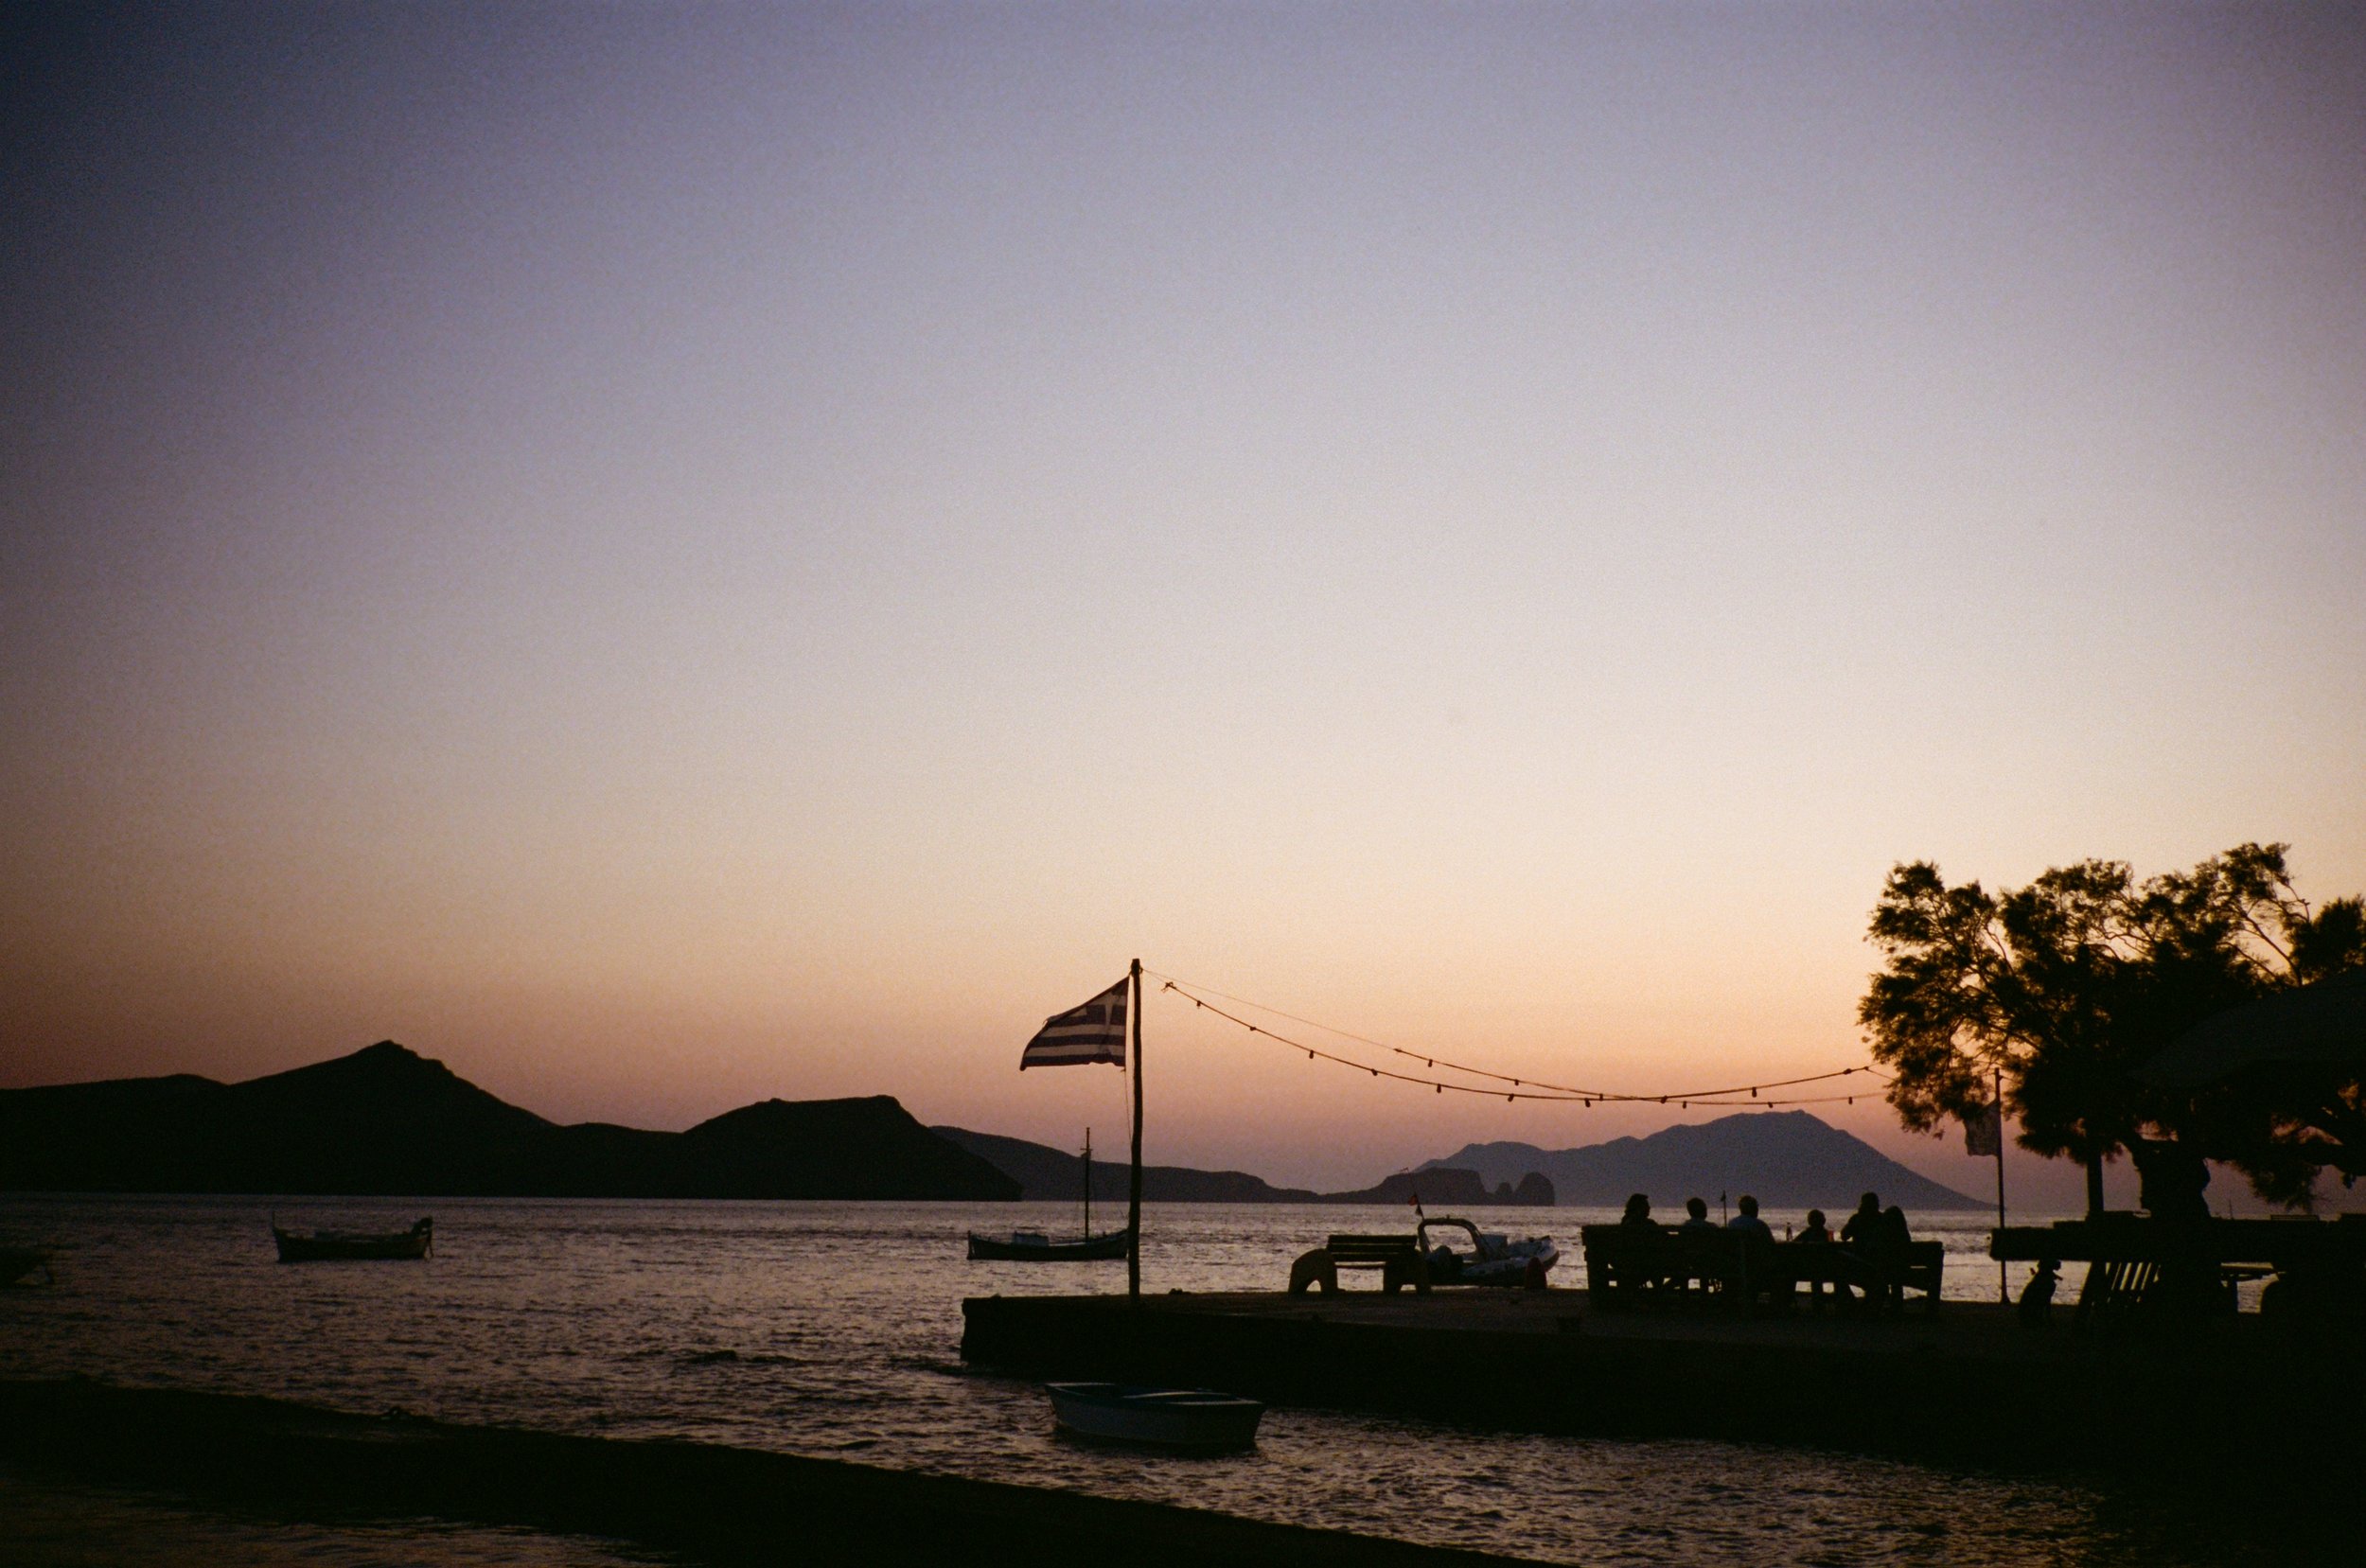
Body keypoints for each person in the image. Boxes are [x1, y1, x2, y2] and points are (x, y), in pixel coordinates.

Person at [1795, 1207, 1834, 1312]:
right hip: (1825, 1268)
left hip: (1805, 1268)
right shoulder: (1826, 1234)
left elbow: (1795, 1244)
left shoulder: (1806, 1234)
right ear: (1823, 1221)